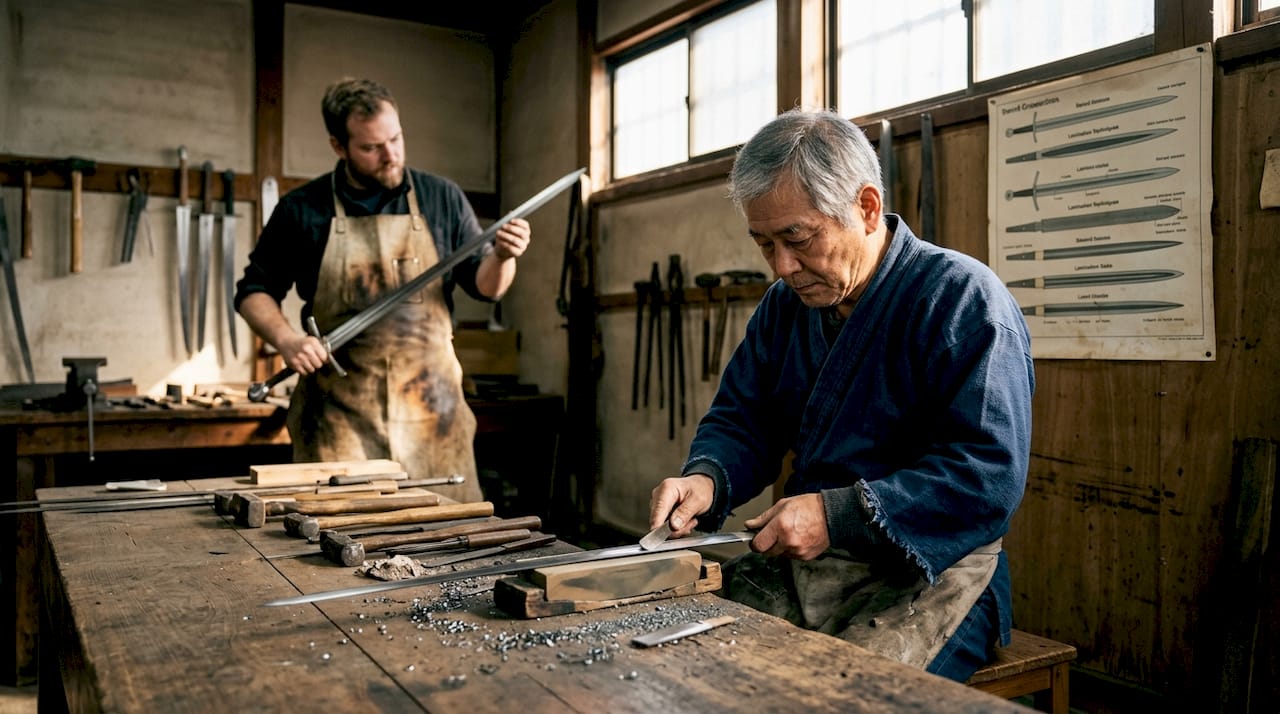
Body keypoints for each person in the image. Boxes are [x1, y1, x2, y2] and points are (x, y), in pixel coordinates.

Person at [648, 108, 1034, 681]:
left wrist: (840, 514)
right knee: (687, 665)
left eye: (797, 239)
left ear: (867, 207)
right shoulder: (785, 309)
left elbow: (986, 476)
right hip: (808, 564)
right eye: (764, 244)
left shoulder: (963, 302)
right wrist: (705, 479)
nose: (782, 266)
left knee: (840, 698)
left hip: (933, 573)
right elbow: (743, 418)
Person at [235, 78, 531, 503]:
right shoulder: (303, 209)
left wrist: (503, 257)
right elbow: (253, 290)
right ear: (339, 146)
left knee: (451, 544)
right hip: (339, 421)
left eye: (396, 138)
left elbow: (485, 287)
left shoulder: (440, 197)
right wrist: (287, 340)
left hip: (433, 419)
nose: (391, 156)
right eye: (372, 148)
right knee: (337, 545)